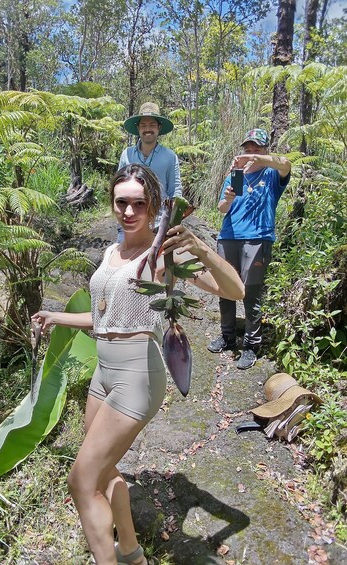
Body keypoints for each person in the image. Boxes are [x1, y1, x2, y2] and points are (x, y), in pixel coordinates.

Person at [32, 163, 244, 565]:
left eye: (139, 204)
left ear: (155, 207)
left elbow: (235, 289)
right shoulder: (112, 251)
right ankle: (131, 553)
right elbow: (106, 319)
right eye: (121, 203)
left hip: (137, 374)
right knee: (107, 470)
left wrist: (200, 249)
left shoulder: (163, 255)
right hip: (103, 372)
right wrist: (55, 316)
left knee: (81, 481)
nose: (129, 212)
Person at [208, 128, 291, 370]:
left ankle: (252, 345)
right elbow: (223, 208)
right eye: (248, 148)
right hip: (229, 237)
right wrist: (229, 198)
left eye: (257, 148)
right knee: (225, 289)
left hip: (257, 239)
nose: (251, 152)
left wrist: (259, 160)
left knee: (250, 293)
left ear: (266, 150)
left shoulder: (272, 175)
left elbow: (285, 164)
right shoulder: (236, 175)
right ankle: (227, 336)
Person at [117, 102, 182, 239]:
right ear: (138, 128)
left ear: (159, 128)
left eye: (152, 125)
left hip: (158, 225)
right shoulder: (127, 155)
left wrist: (169, 224)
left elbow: (175, 192)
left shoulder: (169, 157)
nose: (148, 129)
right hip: (129, 223)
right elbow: (118, 189)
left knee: (155, 260)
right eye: (143, 125)